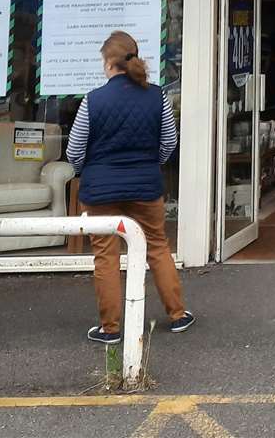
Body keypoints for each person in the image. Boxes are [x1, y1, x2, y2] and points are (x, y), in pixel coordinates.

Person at [66, 30, 193, 344]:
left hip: (101, 190)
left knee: (106, 256)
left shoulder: (93, 100)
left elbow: (74, 150)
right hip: (145, 186)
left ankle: (110, 329)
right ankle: (177, 315)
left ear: (109, 62)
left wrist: (88, 170)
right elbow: (169, 142)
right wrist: (151, 165)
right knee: (157, 247)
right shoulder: (157, 95)